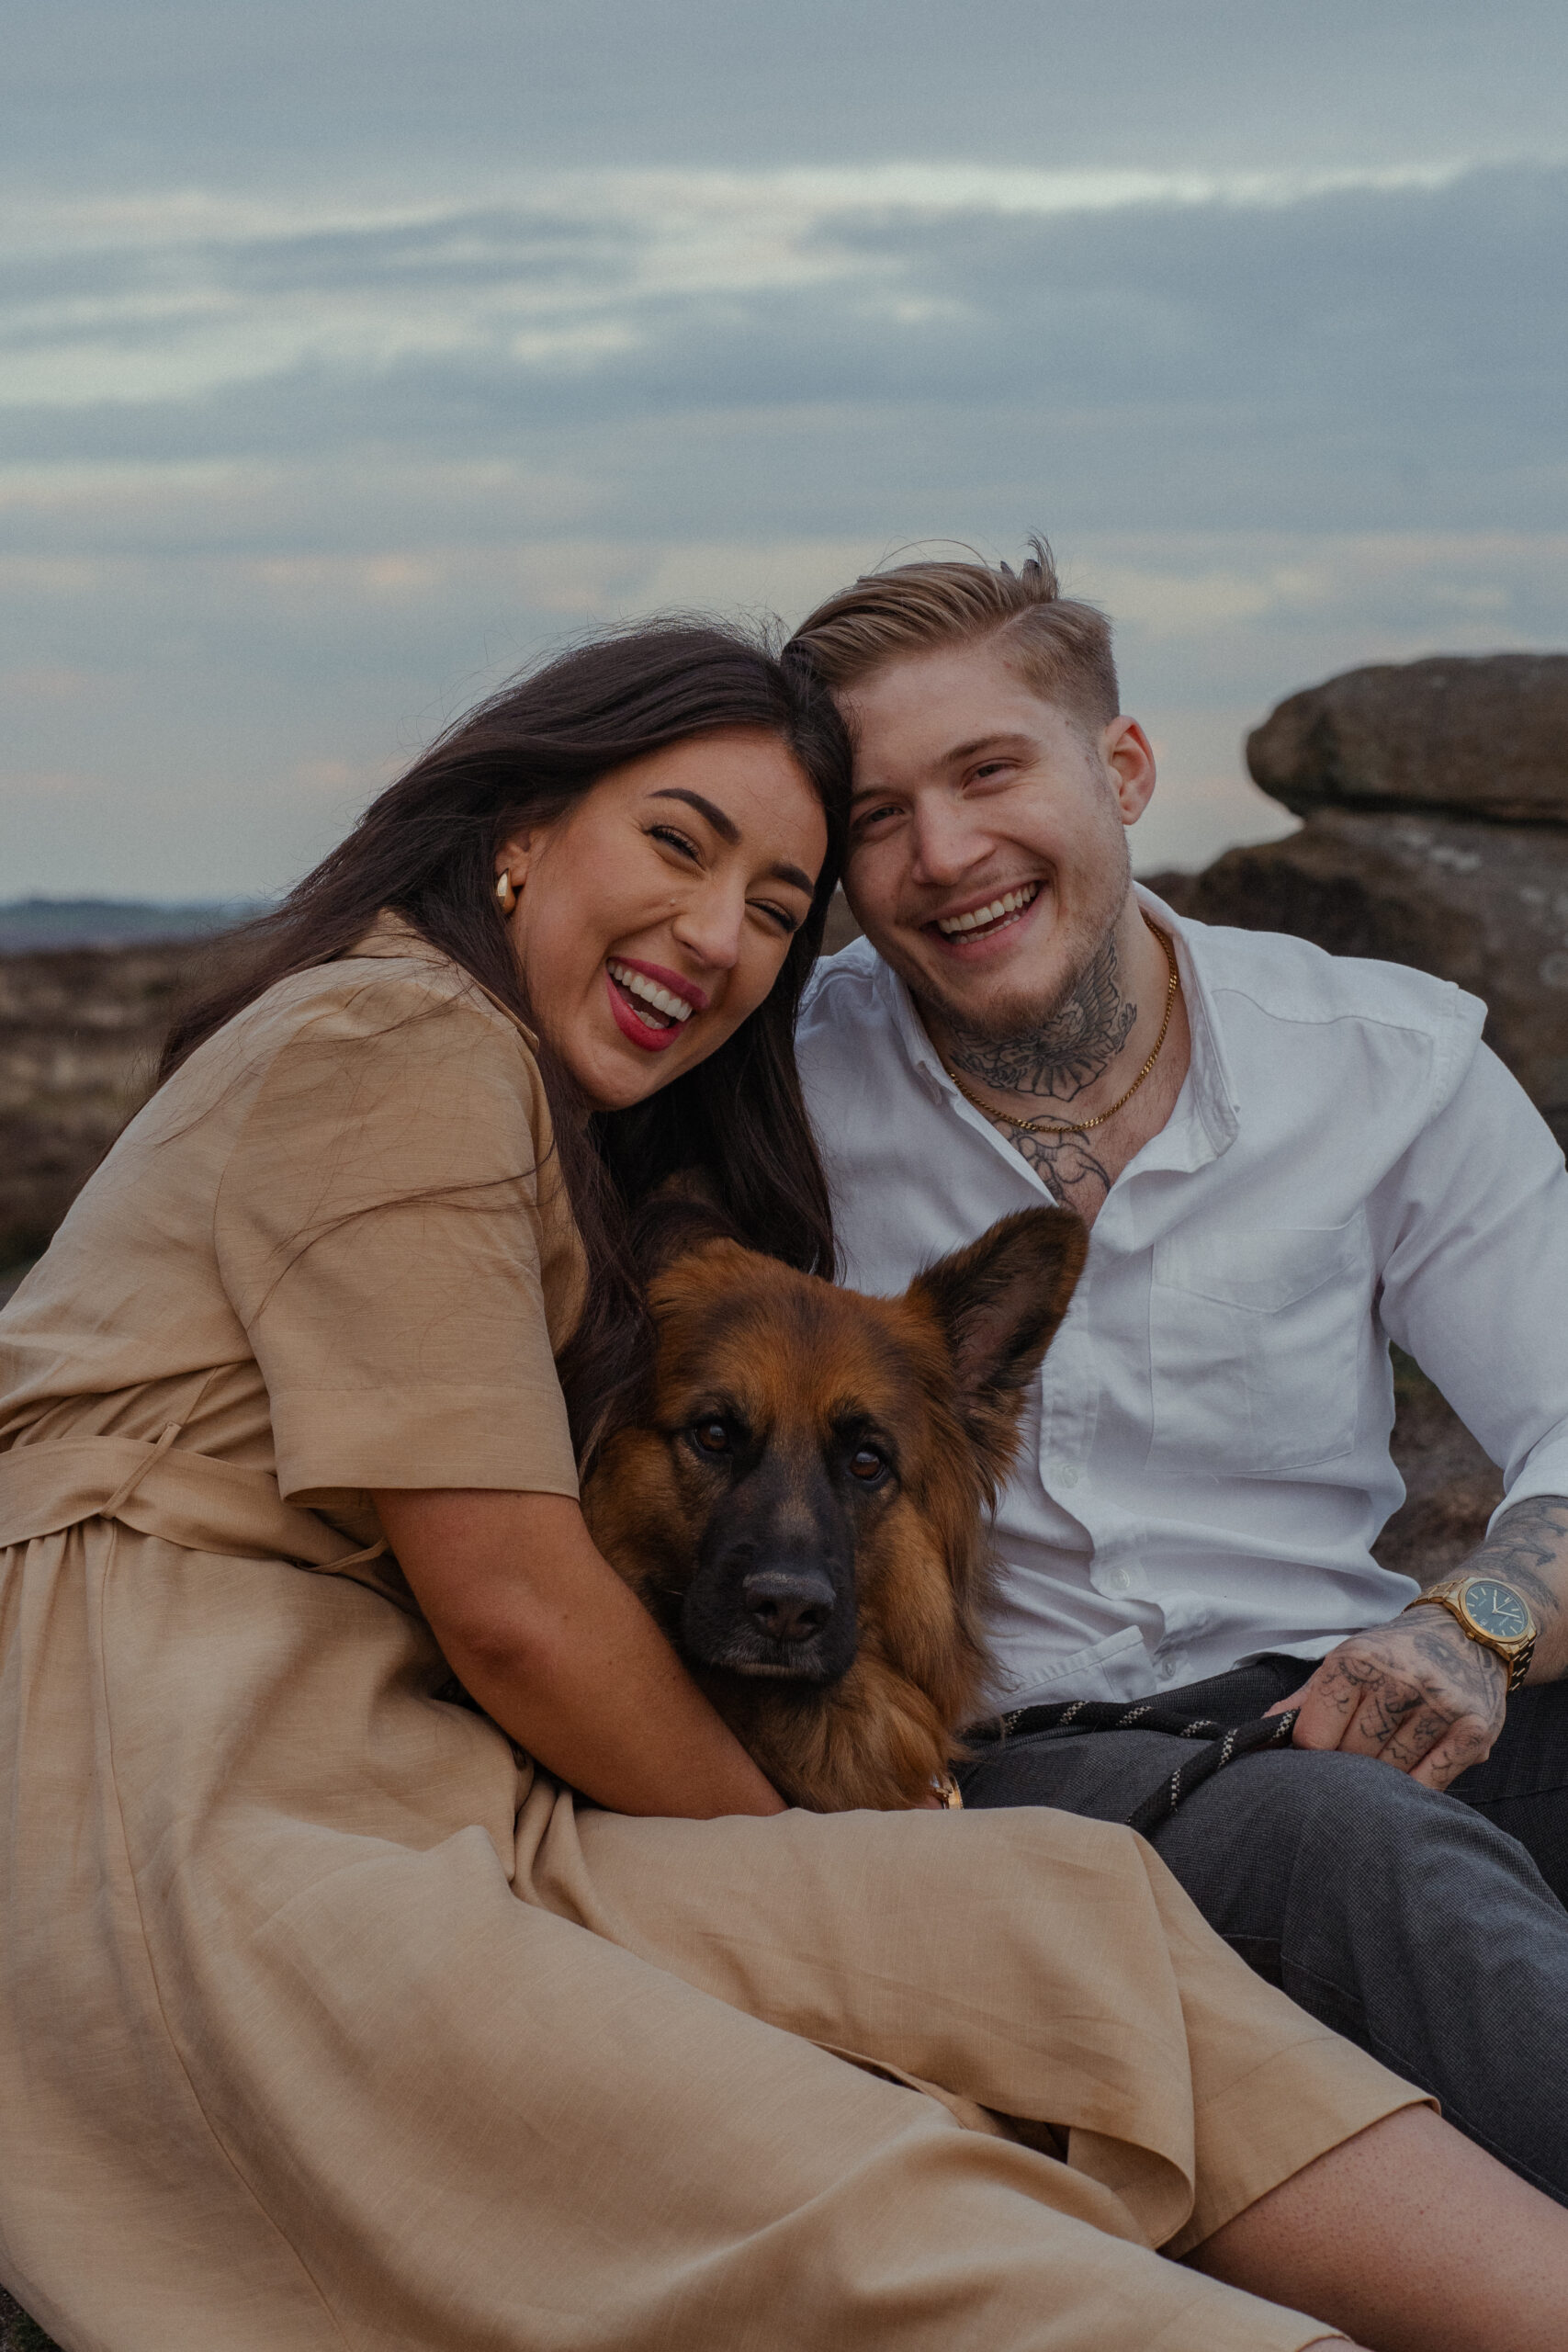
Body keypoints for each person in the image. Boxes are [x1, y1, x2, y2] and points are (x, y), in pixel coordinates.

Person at [2, 620, 1562, 2352]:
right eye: (679, 842)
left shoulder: (534, 1082)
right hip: (182, 1772)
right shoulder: (403, 1041)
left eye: (769, 901)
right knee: (931, 2115)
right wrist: (850, 1864)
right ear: (519, 824)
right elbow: (518, 1607)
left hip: (366, 1750)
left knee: (1057, 1910)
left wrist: (1477, 1622)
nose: (715, 934)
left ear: (1120, 773)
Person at [789, 545, 1568, 2207]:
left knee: (1389, 1814)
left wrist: (1472, 1621)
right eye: (876, 816)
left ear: (1123, 768)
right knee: (1350, 1853)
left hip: (1347, 1682)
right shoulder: (773, 1098)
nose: (947, 855)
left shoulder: (1384, 1061)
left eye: (991, 771)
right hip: (1025, 1768)